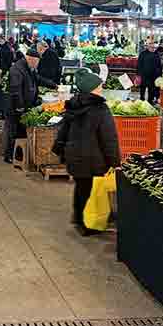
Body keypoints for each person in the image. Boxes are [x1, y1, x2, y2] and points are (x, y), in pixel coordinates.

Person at [53, 68, 121, 236]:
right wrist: (114, 161)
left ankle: (78, 217)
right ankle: (87, 225)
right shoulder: (100, 109)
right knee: (90, 192)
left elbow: (63, 130)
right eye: (99, 86)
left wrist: (60, 149)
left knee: (81, 187)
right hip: (93, 159)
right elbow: (109, 139)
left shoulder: (73, 105)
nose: (101, 88)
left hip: (74, 157)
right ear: (92, 89)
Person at [4, 49, 40, 164]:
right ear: (29, 59)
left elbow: (37, 79)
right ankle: (9, 155)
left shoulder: (28, 68)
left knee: (19, 131)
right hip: (15, 107)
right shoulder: (17, 69)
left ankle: (18, 154)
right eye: (36, 62)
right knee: (12, 131)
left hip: (23, 106)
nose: (37, 64)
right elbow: (15, 89)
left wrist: (53, 85)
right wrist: (20, 106)